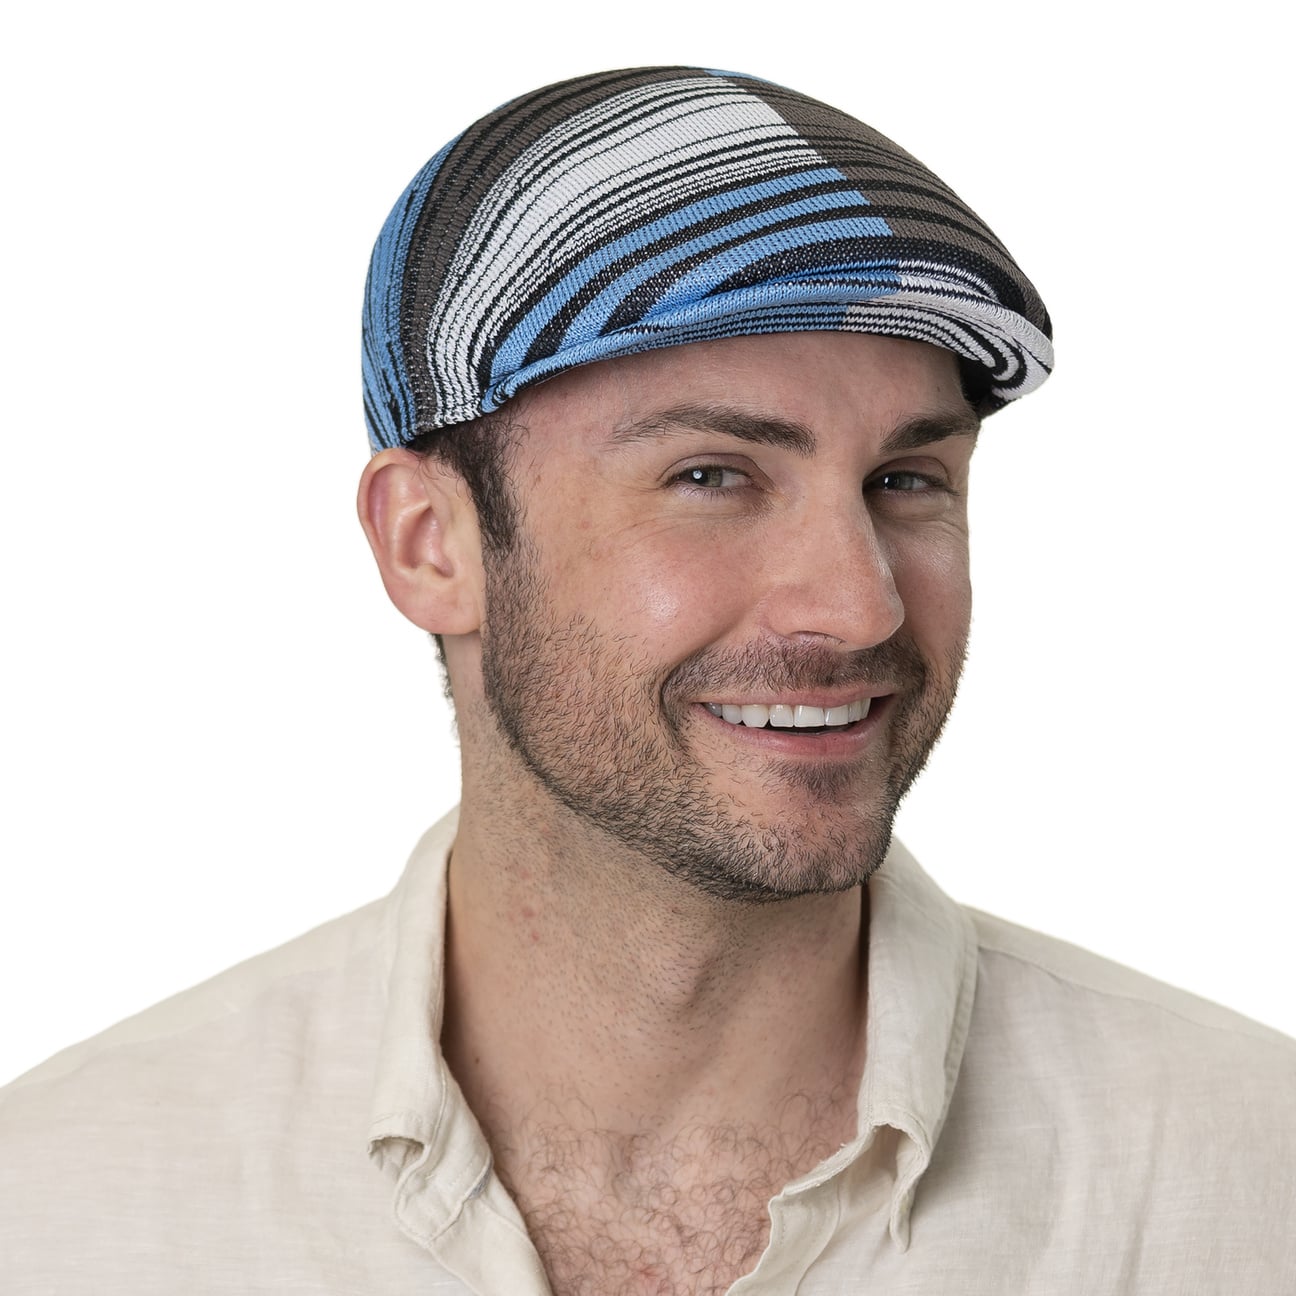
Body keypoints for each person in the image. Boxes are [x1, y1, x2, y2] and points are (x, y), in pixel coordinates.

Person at [1, 65, 1292, 1295]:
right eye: (712, 476)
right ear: (432, 545)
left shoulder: (1246, 1177)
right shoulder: (65, 1206)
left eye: (907, 481)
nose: (859, 604)